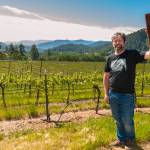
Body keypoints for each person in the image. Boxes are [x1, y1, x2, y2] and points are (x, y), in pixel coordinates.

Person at [103, 32, 150, 149]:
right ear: (112, 43)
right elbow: (106, 77)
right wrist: (106, 93)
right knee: (117, 119)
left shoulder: (132, 54)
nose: (117, 42)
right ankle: (121, 139)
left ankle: (130, 140)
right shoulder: (110, 58)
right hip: (113, 94)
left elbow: (148, 55)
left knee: (127, 119)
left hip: (127, 94)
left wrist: (149, 36)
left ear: (124, 42)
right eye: (115, 41)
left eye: (119, 40)